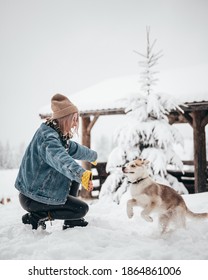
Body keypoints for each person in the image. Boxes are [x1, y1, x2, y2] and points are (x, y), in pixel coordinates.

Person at [15, 93, 97, 230]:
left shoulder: (56, 135)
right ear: (65, 118)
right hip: (33, 197)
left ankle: (70, 219)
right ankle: (36, 216)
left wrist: (92, 156)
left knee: (73, 176)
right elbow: (60, 158)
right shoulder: (48, 139)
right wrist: (81, 174)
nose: (75, 124)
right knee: (81, 209)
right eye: (74, 119)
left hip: (40, 191)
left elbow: (73, 148)